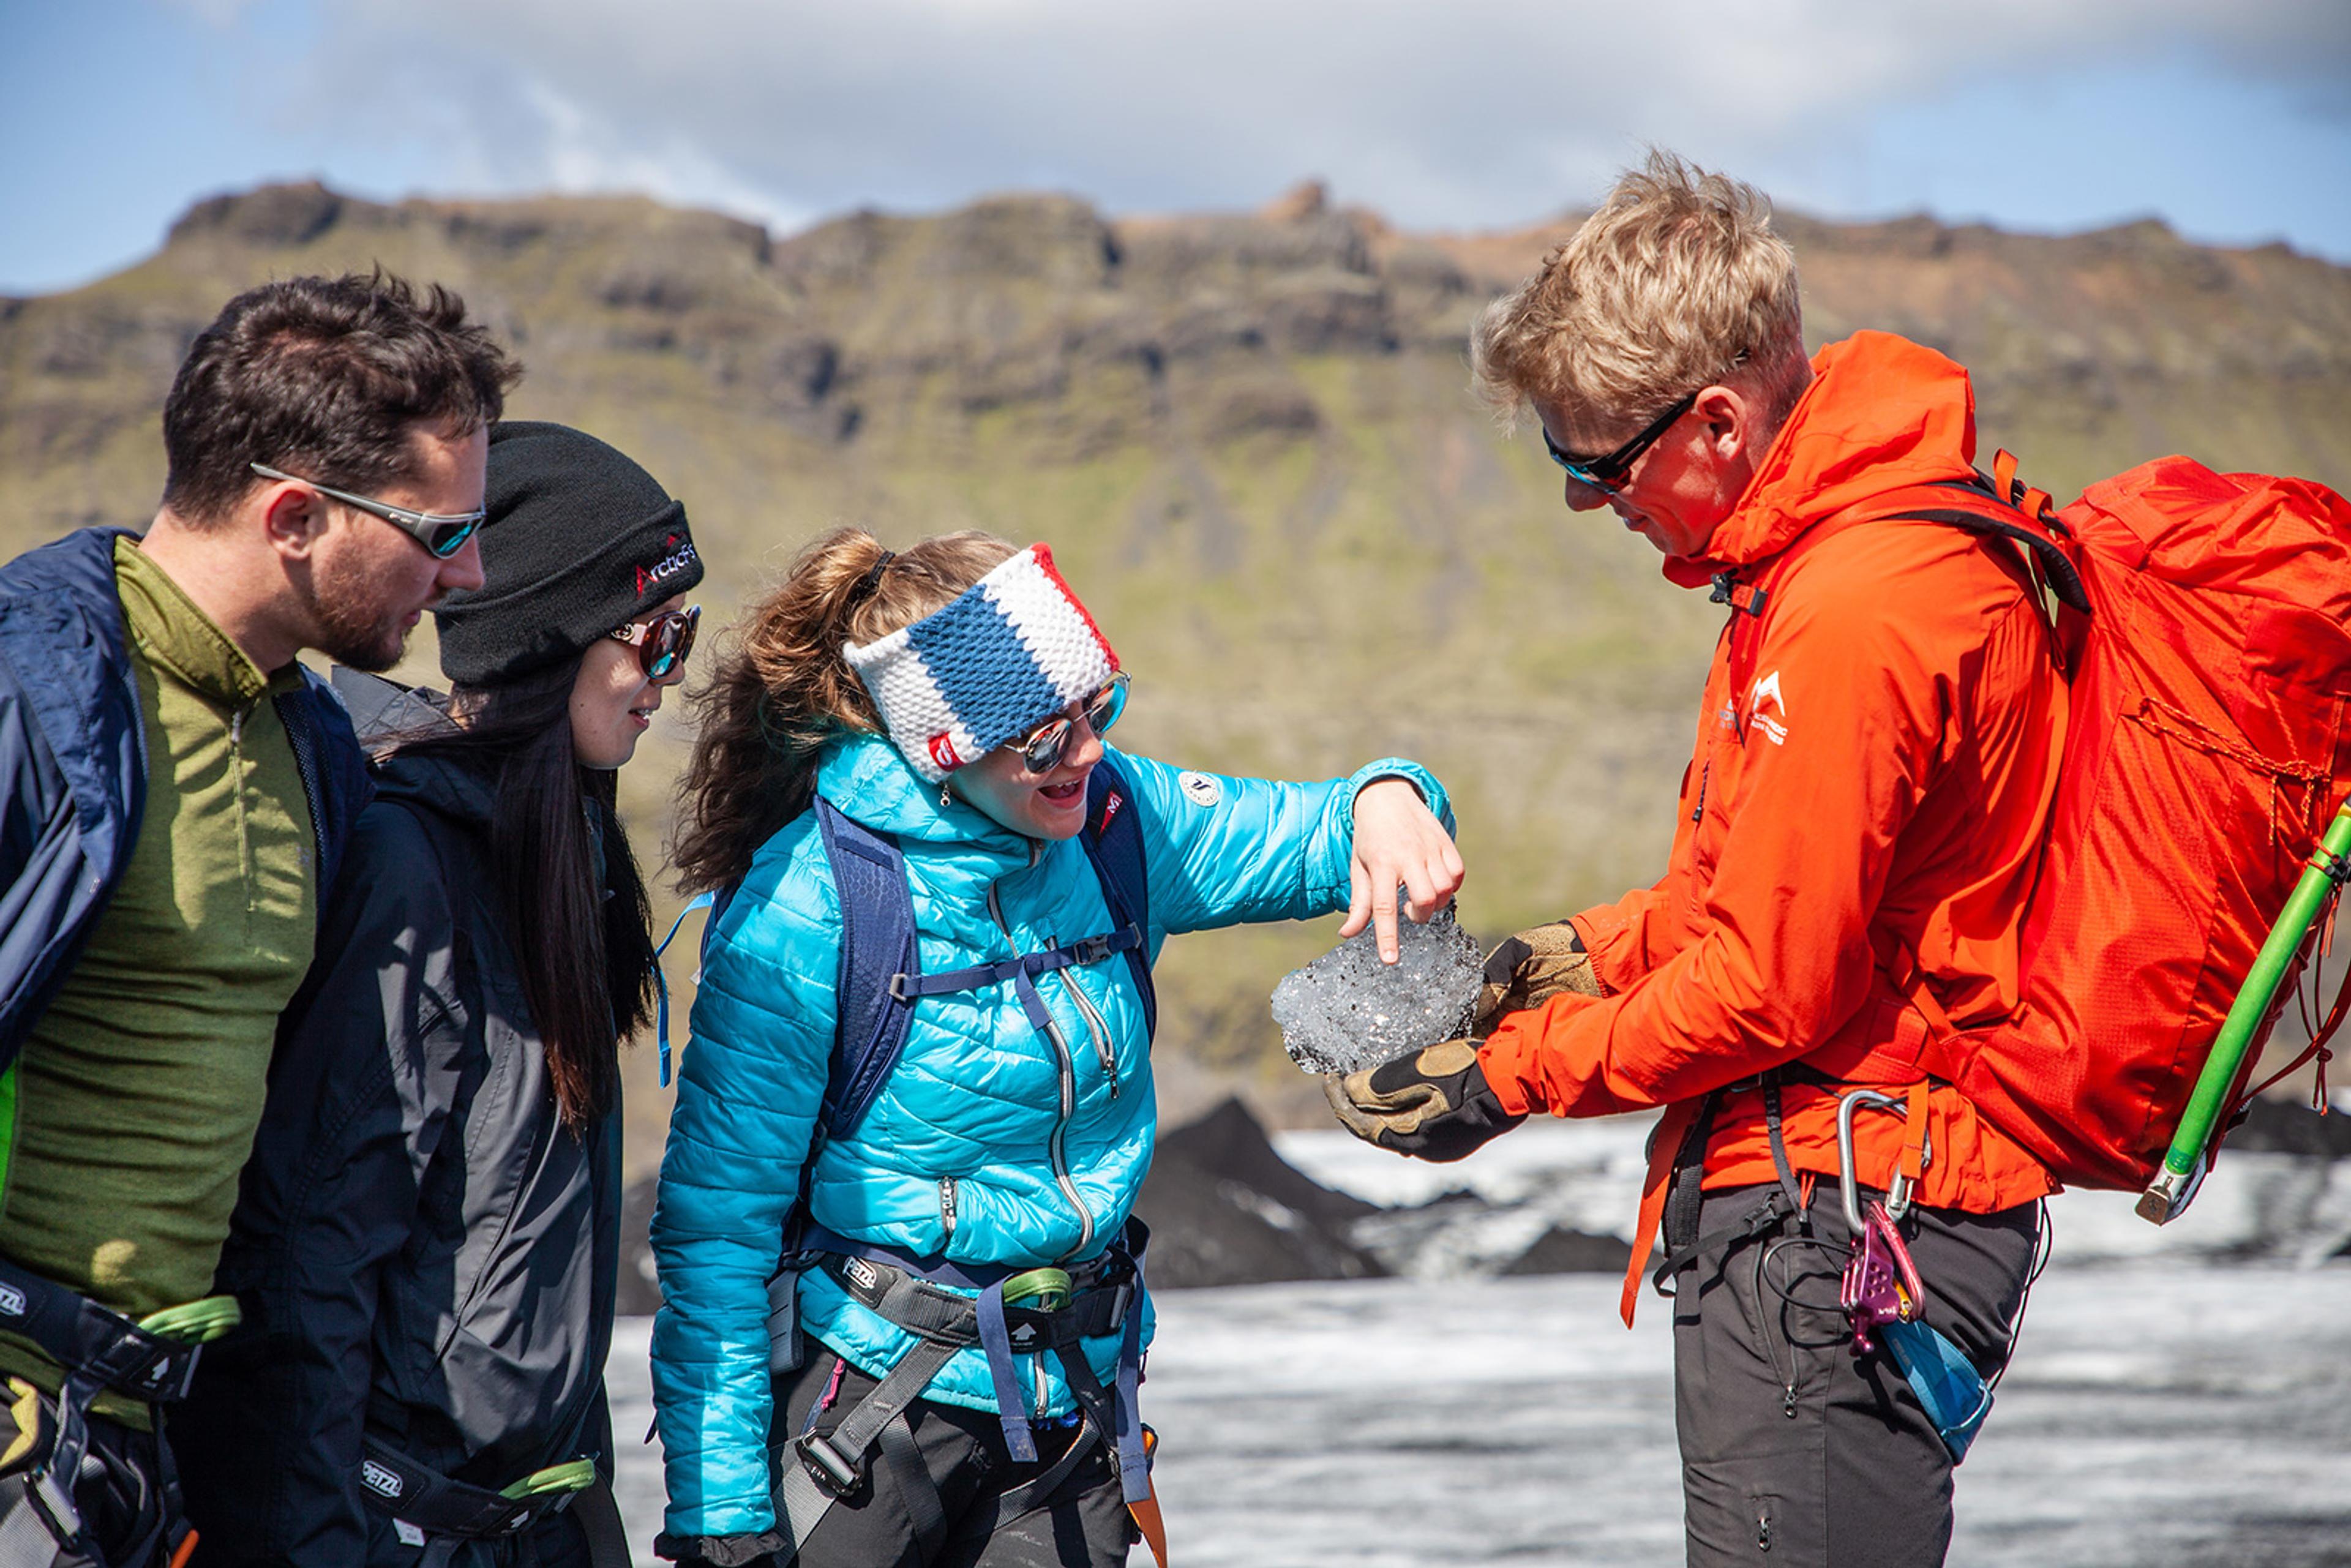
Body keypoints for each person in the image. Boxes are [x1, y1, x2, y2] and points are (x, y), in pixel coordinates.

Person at [1325, 152, 2064, 1567]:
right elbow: (1744, 896)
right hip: (1839, 1214)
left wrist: (1501, 1079)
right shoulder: (1825, 567)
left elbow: (1772, 988)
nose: (1588, 506)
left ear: (1716, 424)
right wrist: (1556, 963)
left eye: (1595, 468)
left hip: (1837, 1227)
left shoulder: (1849, 611)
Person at [649, 530, 1463, 1567]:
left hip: (1072, 1416)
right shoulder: (808, 904)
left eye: (1098, 708)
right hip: (866, 1418)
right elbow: (718, 1230)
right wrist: (722, 1517)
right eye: (1042, 737)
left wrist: (1390, 797)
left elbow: (1325, 831)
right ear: (943, 744)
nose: (1084, 751)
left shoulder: (1118, 822)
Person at [0, 271, 514, 1567]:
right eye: (441, 533)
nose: (474, 572)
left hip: (145, 1450)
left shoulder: (314, 743)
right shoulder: (28, 694)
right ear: (297, 514)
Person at [173, 421, 707, 1566]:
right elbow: (312, 1258)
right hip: (403, 1528)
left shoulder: (562, 854)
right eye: (656, 635)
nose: (673, 674)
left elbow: (541, 1271)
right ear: (545, 637)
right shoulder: (415, 868)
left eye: (684, 635)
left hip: (536, 1518)